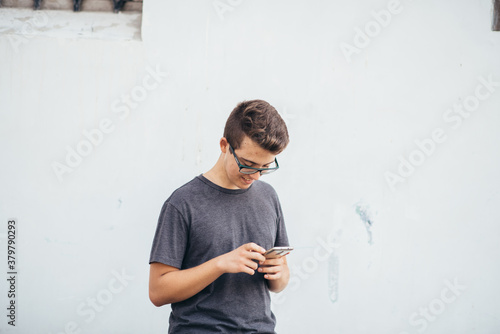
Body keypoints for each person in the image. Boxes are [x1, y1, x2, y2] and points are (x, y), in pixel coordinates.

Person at [149, 99, 291, 333]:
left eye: (265, 167)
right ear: (224, 145)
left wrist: (279, 273)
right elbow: (157, 291)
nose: (255, 176)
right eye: (248, 164)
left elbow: (279, 282)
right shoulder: (182, 203)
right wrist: (220, 264)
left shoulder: (269, 196)